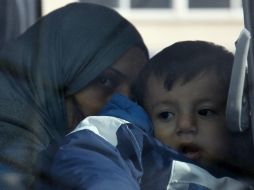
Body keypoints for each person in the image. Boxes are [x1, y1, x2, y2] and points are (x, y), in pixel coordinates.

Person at [49, 41, 254, 189]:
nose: (185, 125)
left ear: (236, 117)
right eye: (165, 115)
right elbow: (93, 160)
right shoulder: (135, 148)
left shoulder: (242, 170)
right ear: (146, 115)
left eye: (204, 112)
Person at [0, 2, 148, 189]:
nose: (124, 103)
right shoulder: (10, 141)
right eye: (105, 81)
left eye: (136, 92)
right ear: (57, 75)